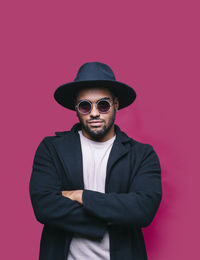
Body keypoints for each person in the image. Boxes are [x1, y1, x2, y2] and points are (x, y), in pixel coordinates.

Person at [29, 62, 162, 260]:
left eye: (103, 104)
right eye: (85, 105)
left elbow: (143, 209)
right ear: (76, 107)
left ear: (116, 104)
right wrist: (112, 215)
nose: (94, 113)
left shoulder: (142, 154)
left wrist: (82, 196)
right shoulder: (51, 149)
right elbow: (44, 206)